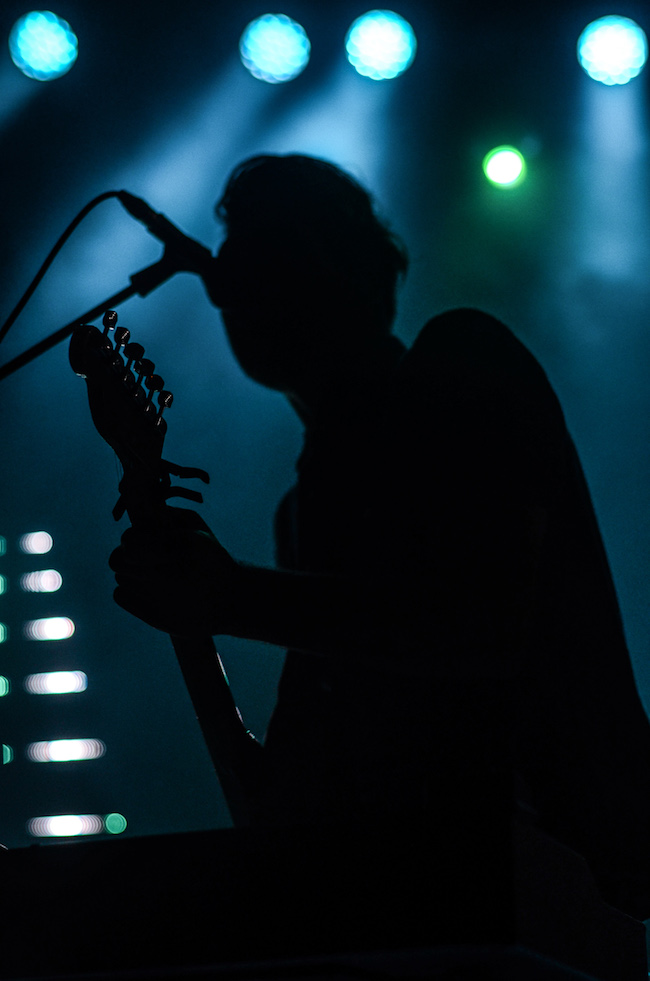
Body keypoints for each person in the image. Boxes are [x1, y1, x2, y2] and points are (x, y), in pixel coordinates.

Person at [109, 153, 650, 918]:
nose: (247, 281)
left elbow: (478, 627)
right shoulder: (300, 513)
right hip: (417, 902)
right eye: (240, 257)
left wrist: (229, 597)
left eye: (280, 251)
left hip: (554, 885)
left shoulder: (465, 361)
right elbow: (299, 787)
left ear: (362, 271)